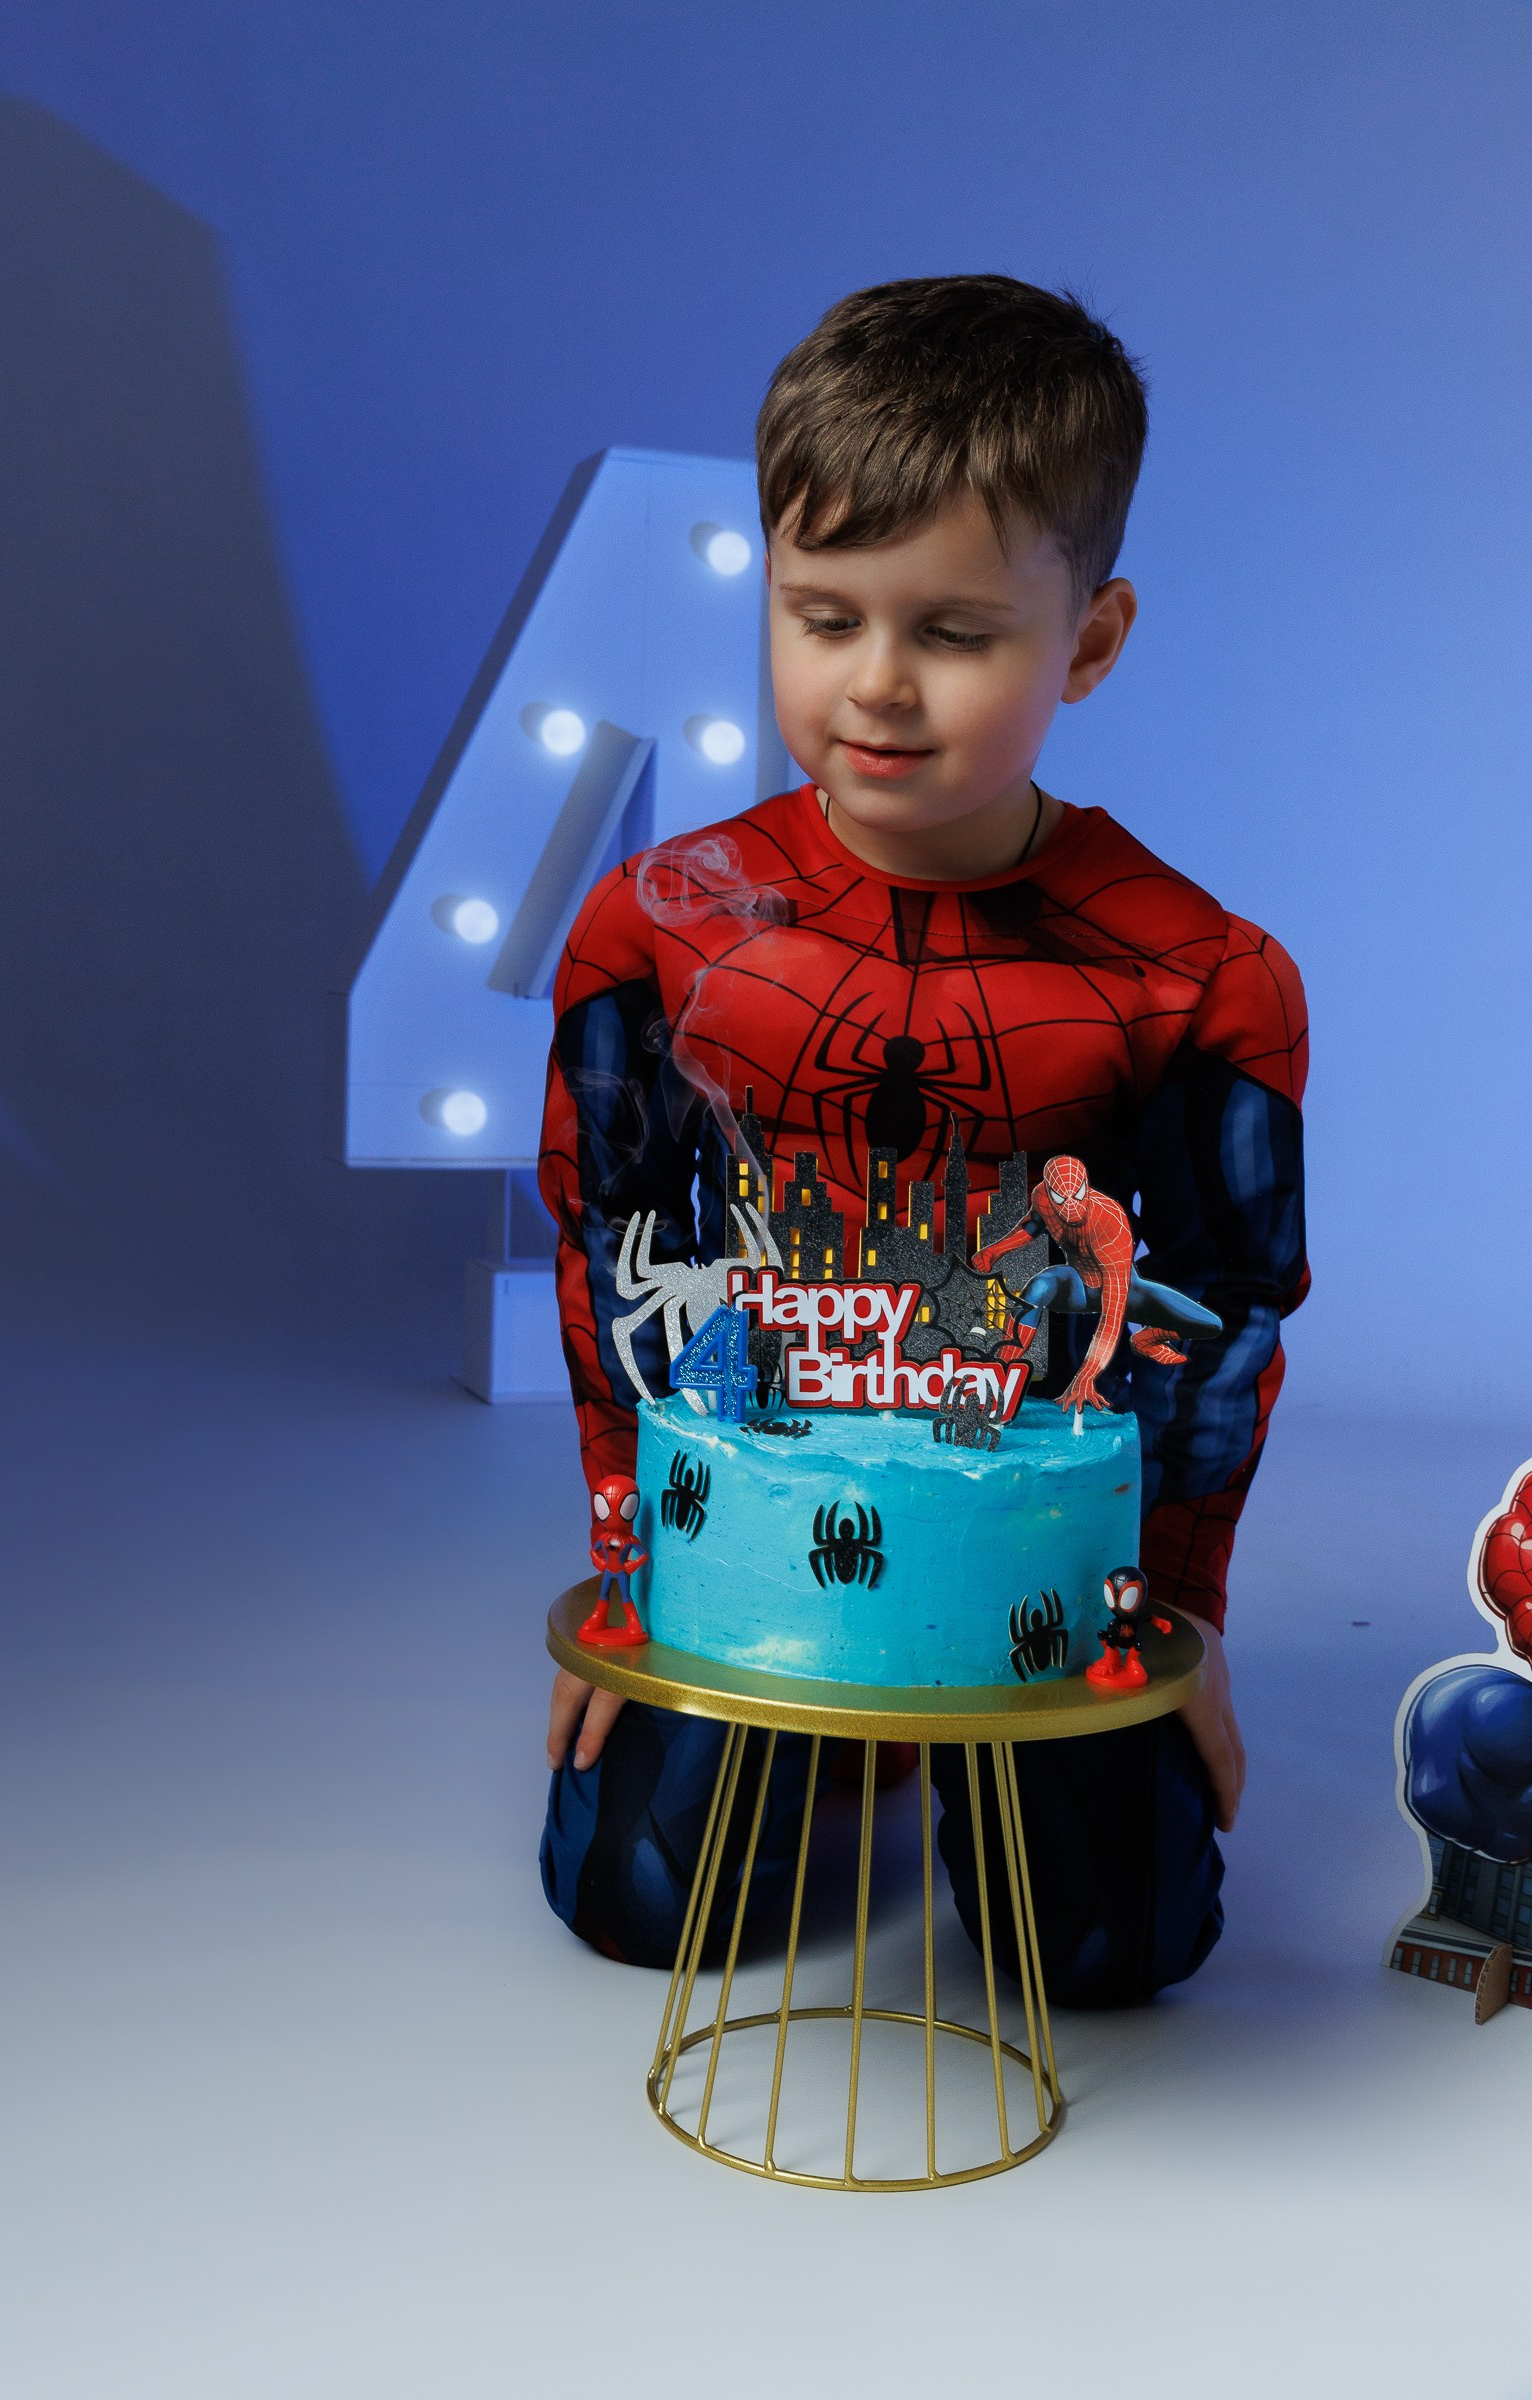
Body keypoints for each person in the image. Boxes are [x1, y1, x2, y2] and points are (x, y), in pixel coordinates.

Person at [536, 275, 1308, 2003]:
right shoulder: (654, 927)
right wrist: (629, 1572)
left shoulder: (1204, 977)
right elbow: (613, 1252)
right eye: (824, 617)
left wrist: (1174, 1622)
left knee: (1106, 1952)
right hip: (753, 1521)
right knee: (639, 1902)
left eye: (954, 634)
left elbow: (1220, 1320)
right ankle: (835, 1733)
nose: (877, 687)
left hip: (1031, 1536)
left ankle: (956, 1747)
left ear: (1089, 642)